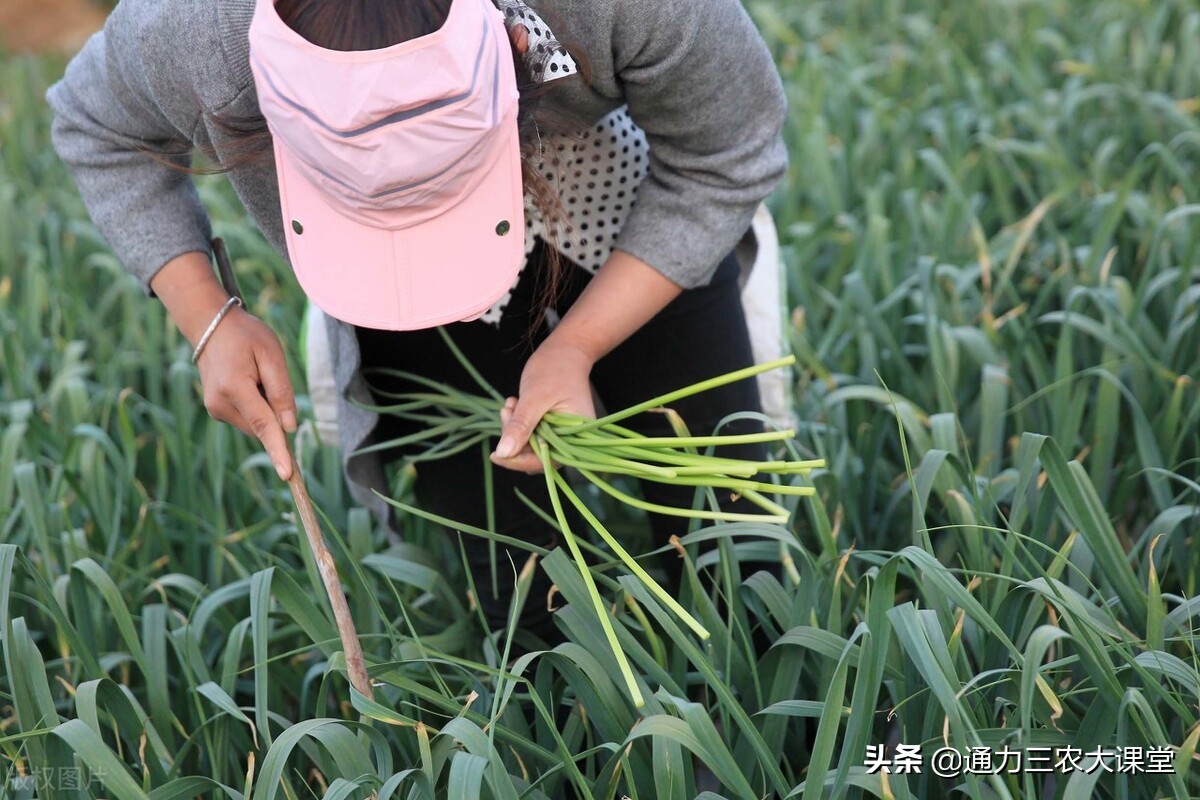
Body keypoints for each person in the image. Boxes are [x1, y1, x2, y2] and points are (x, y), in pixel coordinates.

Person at [47, 0, 789, 647]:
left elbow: (726, 151)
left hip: (621, 194)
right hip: (392, 285)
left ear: (515, 48)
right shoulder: (200, 27)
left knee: (732, 551)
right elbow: (95, 124)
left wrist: (578, 345)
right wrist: (209, 320)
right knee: (523, 595)